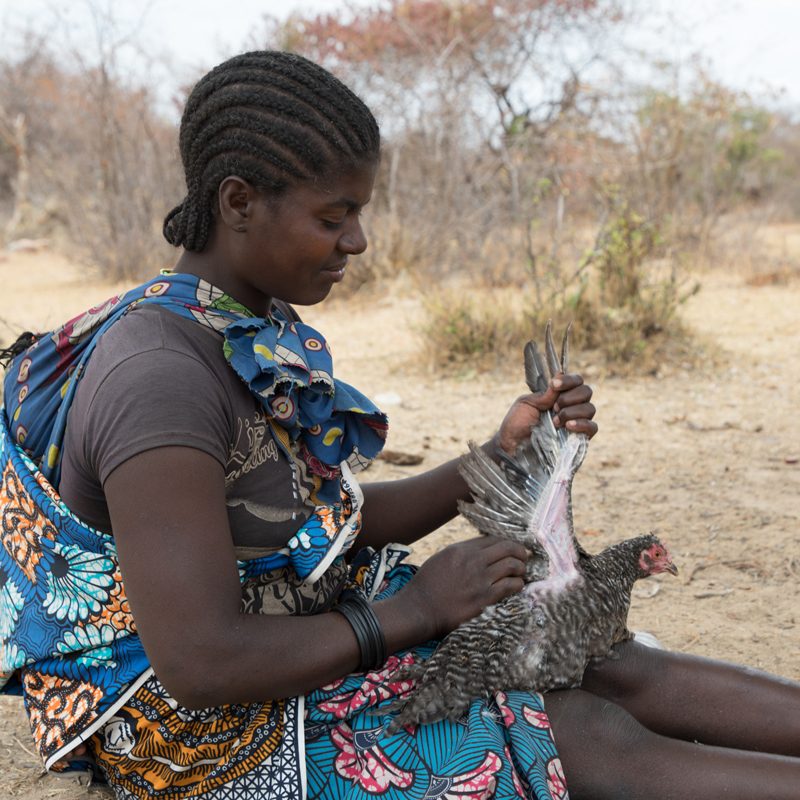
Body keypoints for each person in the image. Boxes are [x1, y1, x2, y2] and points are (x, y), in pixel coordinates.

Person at [0, 50, 798, 800]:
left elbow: (312, 527)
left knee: (581, 647)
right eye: (333, 216)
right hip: (194, 731)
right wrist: (412, 615)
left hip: (289, 636)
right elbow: (201, 661)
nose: (357, 240)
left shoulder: (242, 327)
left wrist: (497, 458)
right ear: (238, 203)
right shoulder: (159, 381)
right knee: (573, 730)